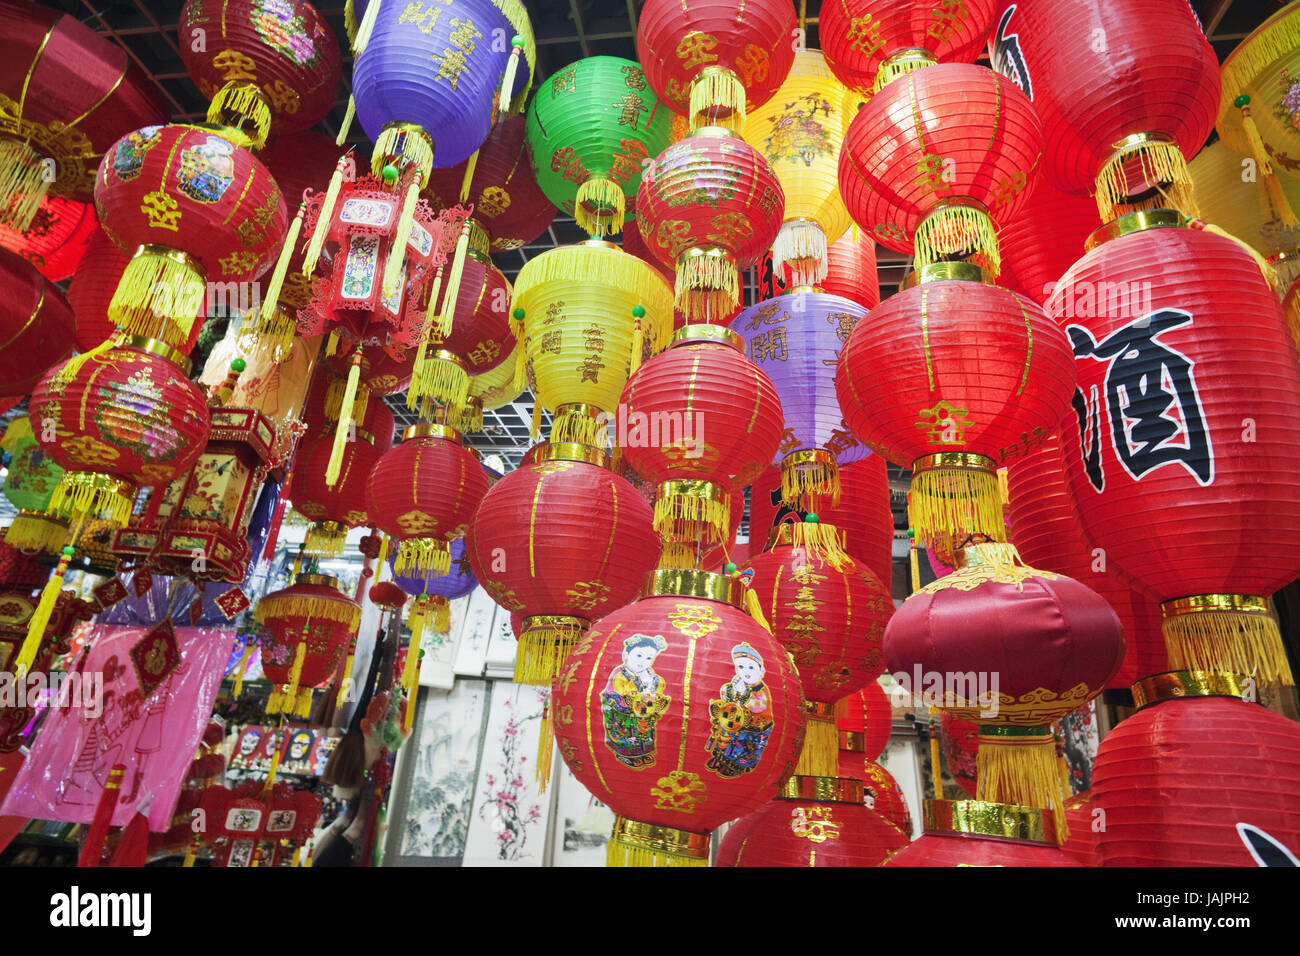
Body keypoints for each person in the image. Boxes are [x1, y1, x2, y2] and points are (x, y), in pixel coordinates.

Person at [600, 633, 670, 768]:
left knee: (643, 733)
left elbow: (656, 691)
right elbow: (621, 693)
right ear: (626, 655)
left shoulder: (650, 676)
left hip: (642, 711)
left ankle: (643, 752)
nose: (643, 661)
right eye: (638, 655)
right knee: (628, 734)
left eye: (649, 658)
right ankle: (626, 754)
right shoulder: (621, 675)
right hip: (622, 711)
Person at [706, 643, 774, 777]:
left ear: (761, 671)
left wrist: (744, 693)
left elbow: (759, 706)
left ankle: (737, 766)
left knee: (743, 746)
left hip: (753, 726)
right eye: (741, 667)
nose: (746, 672)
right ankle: (721, 759)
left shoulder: (760, 690)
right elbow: (726, 695)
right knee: (725, 740)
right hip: (733, 721)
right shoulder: (736, 684)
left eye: (751, 667)